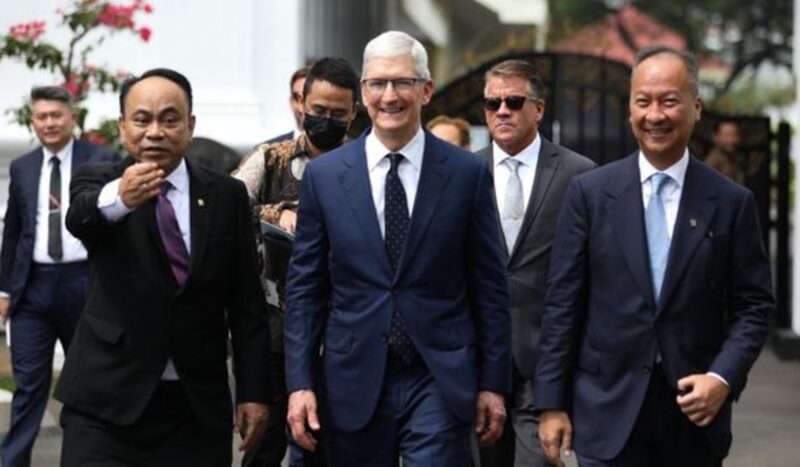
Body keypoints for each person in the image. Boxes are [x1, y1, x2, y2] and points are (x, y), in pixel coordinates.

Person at [535, 46, 774, 467]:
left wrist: (722, 378)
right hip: (606, 413)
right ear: (630, 109)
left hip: (693, 418)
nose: (655, 115)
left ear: (696, 108)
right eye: (643, 101)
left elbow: (754, 306)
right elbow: (562, 305)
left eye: (669, 101)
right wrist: (551, 404)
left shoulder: (731, 202)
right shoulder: (591, 194)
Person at [284, 30, 511, 467]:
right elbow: (305, 290)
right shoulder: (325, 177)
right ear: (362, 93)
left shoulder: (466, 174)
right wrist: (300, 384)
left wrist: (493, 383)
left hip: (439, 376)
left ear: (426, 89)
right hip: (353, 376)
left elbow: (490, 286)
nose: (389, 96)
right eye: (377, 83)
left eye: (402, 82)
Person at [54, 68, 272, 467]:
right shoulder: (100, 182)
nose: (155, 132)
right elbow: (81, 218)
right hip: (107, 405)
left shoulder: (226, 195)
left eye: (170, 120)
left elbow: (246, 305)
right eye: (142, 120)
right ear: (123, 126)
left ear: (190, 125)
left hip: (194, 409)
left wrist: (254, 392)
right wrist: (121, 198)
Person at [233, 56, 360, 467]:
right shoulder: (270, 158)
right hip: (272, 325)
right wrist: (278, 213)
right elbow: (225, 210)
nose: (327, 120)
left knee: (325, 449)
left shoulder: (364, 164)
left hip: (339, 331)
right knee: (263, 446)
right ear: (301, 103)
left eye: (338, 113)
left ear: (354, 112)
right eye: (319, 110)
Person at [476, 59, 595, 467]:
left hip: (546, 360)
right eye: (492, 103)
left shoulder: (580, 176)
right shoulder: (461, 172)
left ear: (538, 109)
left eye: (513, 101)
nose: (502, 111)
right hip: (478, 360)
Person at [0, 86, 118, 467]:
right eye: (41, 116)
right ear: (32, 121)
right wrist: (4, 290)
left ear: (73, 118)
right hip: (32, 289)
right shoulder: (22, 167)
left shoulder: (102, 159)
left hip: (85, 283)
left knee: (89, 382)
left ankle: (88, 458)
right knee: (28, 384)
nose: (49, 122)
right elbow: (13, 231)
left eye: (56, 115)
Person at [266, 66, 310, 144]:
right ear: (291, 102)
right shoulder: (268, 149)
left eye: (308, 97)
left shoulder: (333, 148)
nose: (302, 106)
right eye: (298, 97)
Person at [704, 120, 745, 185]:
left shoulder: (736, 158)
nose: (731, 140)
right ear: (716, 137)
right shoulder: (713, 162)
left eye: (735, 135)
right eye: (727, 135)